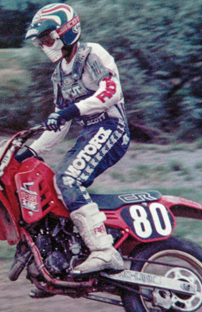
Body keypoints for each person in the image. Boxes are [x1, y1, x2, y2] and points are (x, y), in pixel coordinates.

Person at [20, 3, 130, 280]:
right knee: (55, 185)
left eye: (48, 38)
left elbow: (112, 92)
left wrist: (72, 110)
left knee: (68, 179)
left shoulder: (92, 54)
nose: (45, 45)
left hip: (111, 127)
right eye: (41, 42)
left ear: (67, 32)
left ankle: (105, 251)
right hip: (90, 132)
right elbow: (60, 123)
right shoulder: (59, 74)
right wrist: (31, 150)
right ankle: (70, 251)